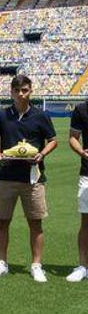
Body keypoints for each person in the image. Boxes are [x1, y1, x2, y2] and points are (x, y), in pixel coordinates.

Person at [0, 74, 57, 282]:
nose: (20, 94)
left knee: (35, 223)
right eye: (17, 90)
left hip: (33, 177)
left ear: (30, 91)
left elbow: (53, 140)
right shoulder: (2, 116)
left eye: (24, 90)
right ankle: (1, 262)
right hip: (6, 175)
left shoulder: (40, 115)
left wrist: (41, 154)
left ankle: (36, 265)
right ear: (11, 92)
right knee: (2, 221)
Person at [68, 98, 88, 282]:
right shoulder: (82, 109)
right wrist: (82, 152)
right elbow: (73, 137)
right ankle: (83, 266)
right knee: (86, 221)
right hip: (87, 173)